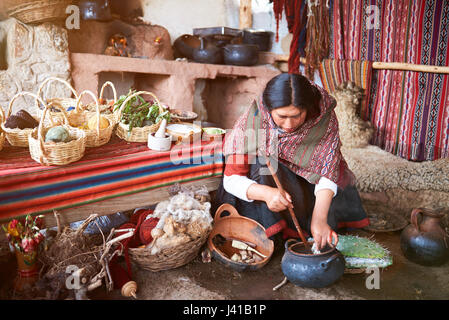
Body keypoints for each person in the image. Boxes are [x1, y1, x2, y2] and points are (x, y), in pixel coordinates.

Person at [213, 73, 369, 250]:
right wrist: (267, 194)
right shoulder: (255, 118)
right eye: (281, 116)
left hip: (310, 189)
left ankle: (312, 225)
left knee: (340, 173)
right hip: (270, 185)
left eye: (296, 115)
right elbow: (231, 180)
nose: (288, 124)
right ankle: (278, 228)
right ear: (268, 109)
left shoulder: (322, 117)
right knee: (263, 165)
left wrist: (319, 219)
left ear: (308, 109)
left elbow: (329, 168)